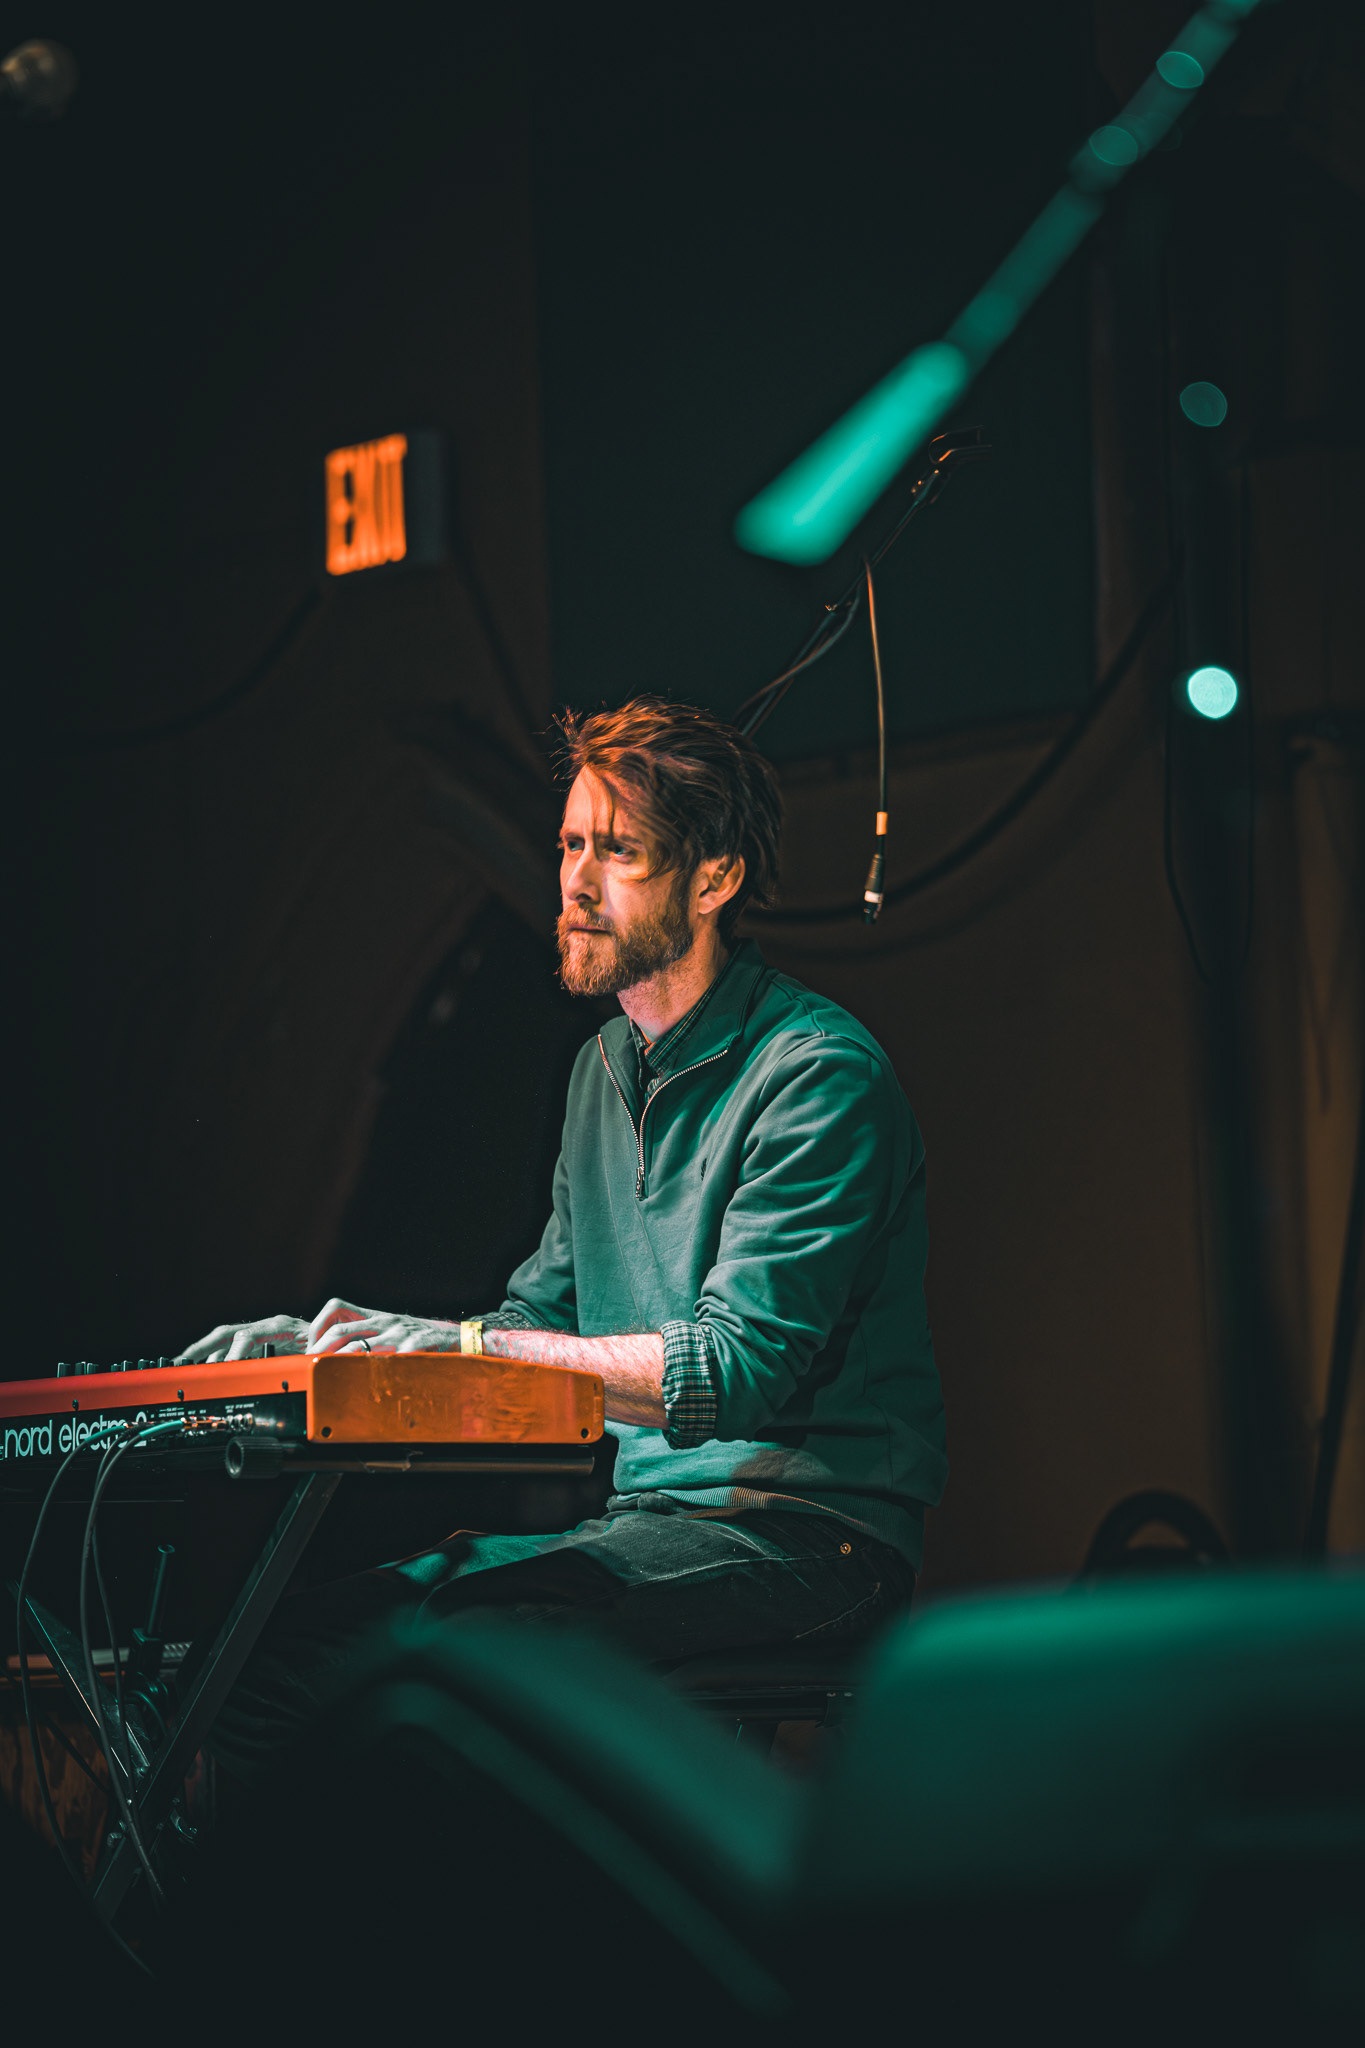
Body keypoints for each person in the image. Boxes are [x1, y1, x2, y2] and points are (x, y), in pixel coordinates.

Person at [184, 698, 947, 1774]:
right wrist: (335, 1349)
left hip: (812, 1539)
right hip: (652, 1521)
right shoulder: (599, 1072)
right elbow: (535, 1320)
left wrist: (464, 1345)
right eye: (569, 845)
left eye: (618, 851)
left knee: (423, 1658)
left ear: (714, 879)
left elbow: (730, 1372)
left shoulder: (816, 1075)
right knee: (279, 1653)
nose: (577, 883)